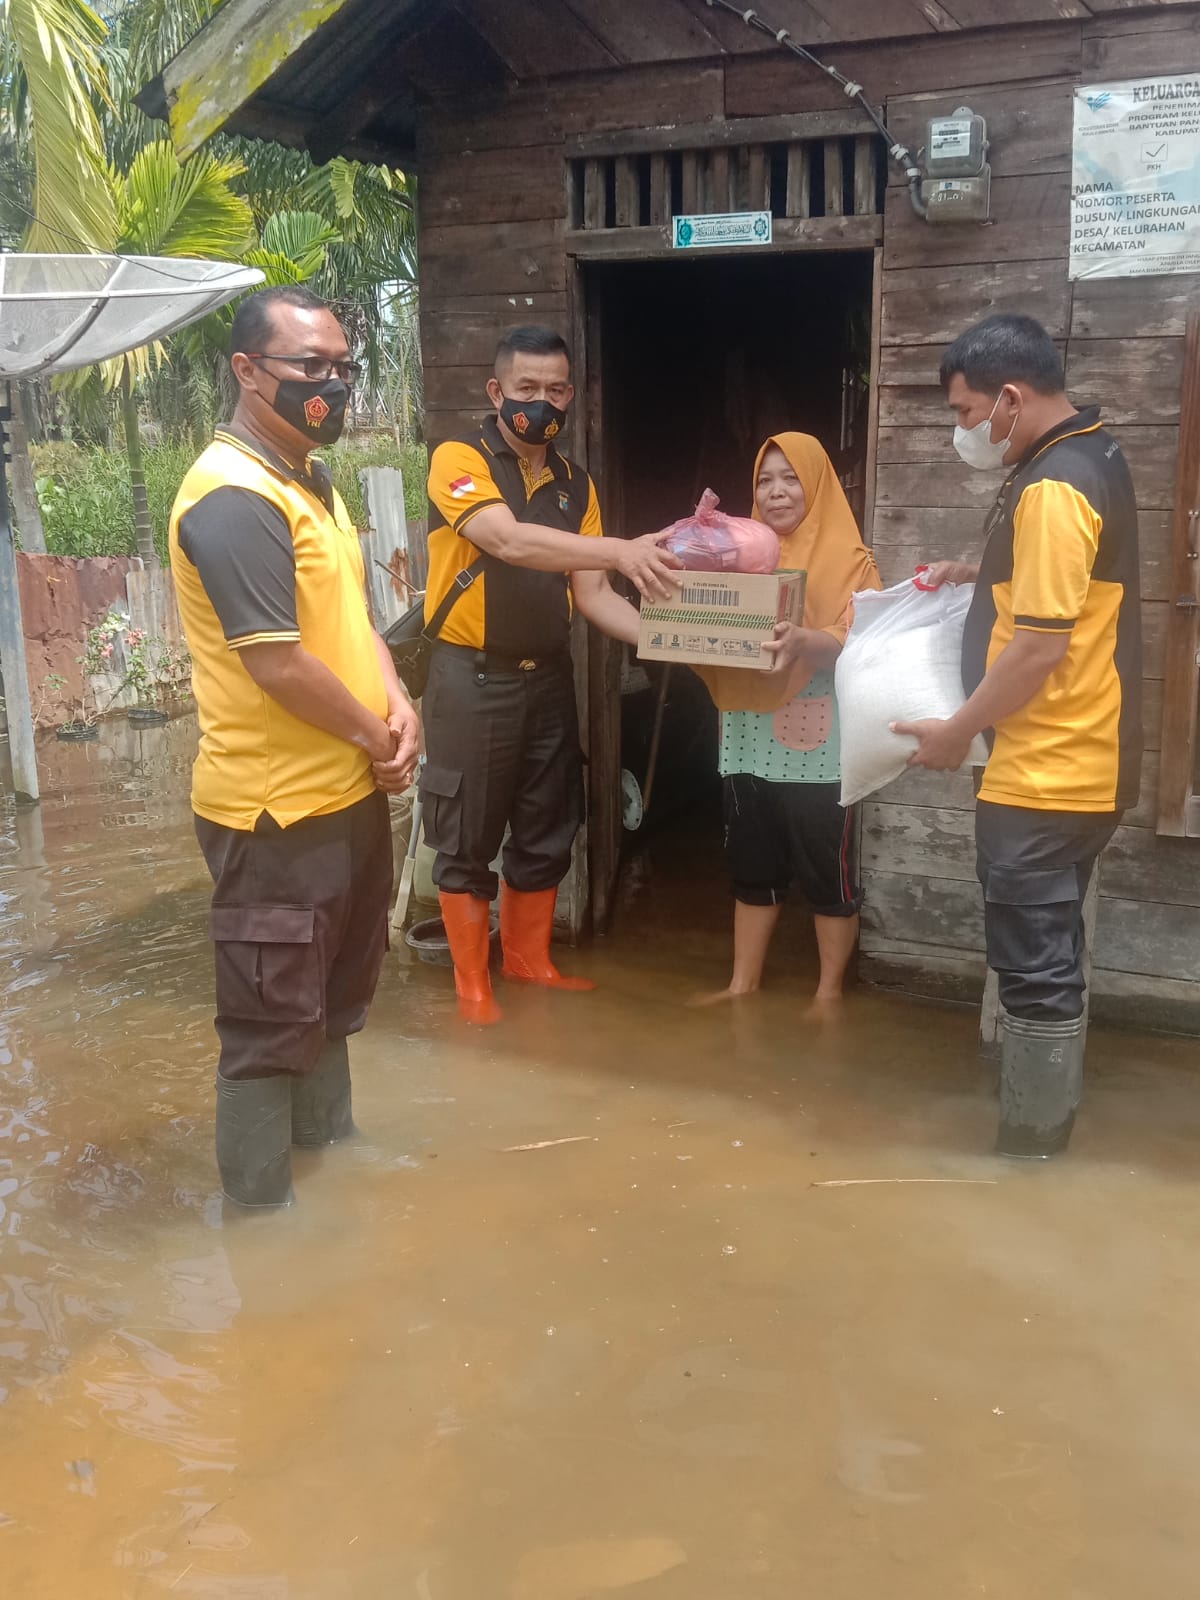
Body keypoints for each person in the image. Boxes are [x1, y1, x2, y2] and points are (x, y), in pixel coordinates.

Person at [169, 285, 420, 1207]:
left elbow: (349, 618)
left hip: (347, 794)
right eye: (309, 367)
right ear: (246, 370)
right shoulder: (231, 497)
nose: (332, 384)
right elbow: (277, 665)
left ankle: (334, 1158)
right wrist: (373, 734)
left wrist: (399, 709)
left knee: (335, 1000)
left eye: (341, 368)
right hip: (272, 811)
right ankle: (263, 1223)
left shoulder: (307, 480)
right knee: (268, 1025)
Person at [894, 313, 1141, 1159]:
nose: (964, 431)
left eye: (965, 414)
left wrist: (954, 732)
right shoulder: (1089, 450)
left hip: (1044, 773)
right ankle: (1039, 1137)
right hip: (1081, 762)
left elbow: (1039, 645)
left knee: (1034, 976)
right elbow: (1066, 594)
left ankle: (1030, 1159)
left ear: (1009, 397)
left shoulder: (1054, 487)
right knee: (1050, 954)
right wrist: (981, 573)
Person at [422, 325, 679, 1025]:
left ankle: (528, 962)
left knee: (546, 823)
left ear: (570, 394)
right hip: (469, 676)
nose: (541, 402)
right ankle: (473, 987)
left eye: (555, 389)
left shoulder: (576, 485)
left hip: (547, 678)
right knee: (467, 832)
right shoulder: (458, 458)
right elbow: (503, 538)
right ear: (496, 391)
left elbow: (594, 597)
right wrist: (620, 549)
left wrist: (682, 641)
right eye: (526, 388)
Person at [692, 433, 881, 1005]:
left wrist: (808, 641)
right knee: (752, 865)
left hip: (819, 748)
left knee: (828, 875)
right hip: (747, 737)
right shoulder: (732, 555)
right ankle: (740, 985)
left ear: (817, 483)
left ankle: (827, 997)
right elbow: (701, 617)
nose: (776, 492)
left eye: (790, 478)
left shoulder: (852, 561)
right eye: (764, 480)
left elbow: (863, 641)